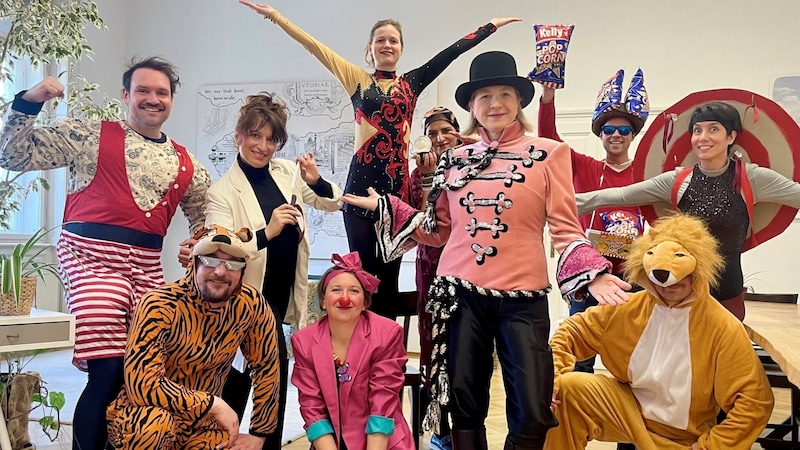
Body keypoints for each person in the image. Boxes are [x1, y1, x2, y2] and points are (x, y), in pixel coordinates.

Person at [342, 50, 631, 450]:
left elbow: (565, 227)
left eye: (504, 94)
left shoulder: (550, 154)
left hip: (523, 297)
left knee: (533, 410)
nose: (494, 104)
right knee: (463, 406)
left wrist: (593, 271)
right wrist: (387, 207)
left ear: (518, 101)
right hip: (459, 294)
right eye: (484, 97)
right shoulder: (455, 160)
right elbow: (438, 230)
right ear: (472, 108)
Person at [240, 0, 520, 319]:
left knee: (387, 283)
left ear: (401, 49)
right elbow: (313, 46)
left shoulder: (411, 84)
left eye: (393, 40)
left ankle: (388, 363)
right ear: (370, 49)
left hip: (395, 201)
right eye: (380, 40)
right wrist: (276, 17)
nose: (387, 44)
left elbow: (451, 52)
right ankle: (359, 359)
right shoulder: (357, 79)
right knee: (361, 280)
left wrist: (490, 26)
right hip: (358, 197)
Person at [0, 57, 211, 450]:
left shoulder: (188, 164)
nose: (152, 99)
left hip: (147, 268)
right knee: (109, 367)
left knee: (144, 370)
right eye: (143, 91)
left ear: (171, 100)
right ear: (125, 95)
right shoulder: (88, 136)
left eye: (161, 93)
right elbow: (11, 155)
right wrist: (31, 99)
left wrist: (198, 244)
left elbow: (207, 218)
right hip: (88, 258)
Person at [544, 213, 774, 450]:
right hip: (627, 413)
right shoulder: (629, 307)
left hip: (682, 436)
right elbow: (571, 332)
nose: (667, 286)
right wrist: (551, 378)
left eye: (679, 279)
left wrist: (712, 446)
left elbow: (754, 402)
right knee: (569, 390)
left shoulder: (723, 326)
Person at [198, 92, 342, 449]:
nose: (263, 146)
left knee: (272, 385)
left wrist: (316, 179)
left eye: (271, 139)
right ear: (238, 136)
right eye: (255, 136)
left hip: (277, 299)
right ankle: (220, 443)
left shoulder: (288, 172)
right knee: (232, 383)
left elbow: (332, 200)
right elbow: (220, 246)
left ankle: (267, 445)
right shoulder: (222, 192)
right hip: (240, 305)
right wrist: (268, 231)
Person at [576, 100, 800, 321]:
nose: (703, 137)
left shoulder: (752, 178)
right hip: (680, 295)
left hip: (728, 295)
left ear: (731, 137)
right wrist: (563, 204)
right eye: (697, 130)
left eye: (713, 129)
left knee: (725, 357)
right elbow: (620, 195)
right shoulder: (678, 180)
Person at [107, 225, 280, 450]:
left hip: (201, 424)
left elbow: (267, 368)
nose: (221, 271)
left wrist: (259, 433)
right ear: (194, 263)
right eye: (210, 260)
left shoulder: (250, 304)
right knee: (154, 427)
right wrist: (213, 405)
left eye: (233, 264)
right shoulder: (158, 304)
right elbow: (143, 385)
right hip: (143, 416)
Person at [538, 70, 648, 377]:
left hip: (632, 276)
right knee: (580, 358)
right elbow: (549, 140)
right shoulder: (585, 166)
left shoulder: (646, 173)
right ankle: (578, 417)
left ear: (632, 135)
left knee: (632, 358)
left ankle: (627, 419)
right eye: (609, 129)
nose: (616, 135)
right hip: (589, 275)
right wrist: (548, 97)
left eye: (623, 130)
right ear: (600, 134)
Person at [291, 251, 415, 450]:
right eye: (336, 290)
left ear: (365, 302)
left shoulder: (387, 334)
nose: (345, 298)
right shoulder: (303, 342)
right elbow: (311, 407)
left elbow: (382, 402)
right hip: (331, 442)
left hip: (382, 443)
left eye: (354, 291)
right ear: (323, 300)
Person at [411, 106, 462, 450]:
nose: (440, 138)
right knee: (434, 347)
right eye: (433, 134)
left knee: (467, 348)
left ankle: (467, 429)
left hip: (468, 268)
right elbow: (417, 222)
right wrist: (428, 179)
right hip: (431, 267)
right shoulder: (417, 176)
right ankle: (440, 433)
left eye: (446, 131)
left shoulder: (473, 164)